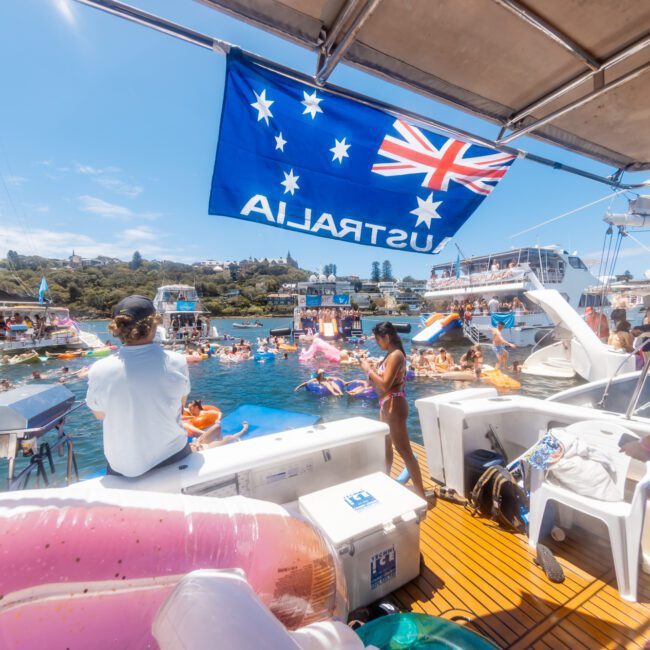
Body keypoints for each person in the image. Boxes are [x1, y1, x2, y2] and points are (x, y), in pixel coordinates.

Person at [86, 295, 192, 478]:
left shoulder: (98, 370)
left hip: (121, 467)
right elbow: (181, 405)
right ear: (154, 325)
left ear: (118, 329)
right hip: (173, 456)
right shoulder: (177, 361)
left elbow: (99, 414)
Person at [360, 322, 426, 499]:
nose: (377, 343)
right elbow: (381, 383)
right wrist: (373, 371)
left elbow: (384, 384)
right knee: (386, 447)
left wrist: (368, 370)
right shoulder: (389, 355)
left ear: (387, 337)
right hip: (387, 404)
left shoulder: (396, 355)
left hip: (394, 405)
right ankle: (386, 483)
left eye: (378, 339)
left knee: (404, 451)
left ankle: (421, 495)